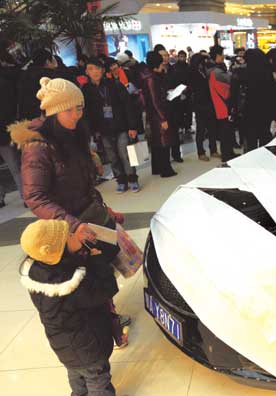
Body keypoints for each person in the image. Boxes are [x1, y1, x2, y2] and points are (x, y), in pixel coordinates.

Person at [9, 76, 132, 336]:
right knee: (85, 280)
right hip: (68, 227)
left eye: (79, 108)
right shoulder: (37, 147)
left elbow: (84, 184)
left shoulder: (73, 135)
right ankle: (102, 330)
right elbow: (35, 197)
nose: (76, 115)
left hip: (88, 216)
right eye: (69, 109)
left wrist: (104, 209)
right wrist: (73, 225)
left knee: (101, 272)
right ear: (53, 111)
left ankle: (110, 319)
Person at [19, 219, 130, 396]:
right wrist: (97, 261)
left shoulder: (39, 272)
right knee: (96, 372)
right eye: (69, 236)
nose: (74, 235)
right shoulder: (72, 283)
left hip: (60, 341)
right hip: (85, 341)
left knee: (74, 369)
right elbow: (105, 291)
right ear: (56, 251)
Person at [82, 57, 140, 193]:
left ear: (102, 70)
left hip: (121, 126)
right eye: (91, 69)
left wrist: (132, 126)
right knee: (112, 156)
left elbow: (128, 106)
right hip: (103, 129)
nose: (95, 72)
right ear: (86, 72)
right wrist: (91, 132)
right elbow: (87, 113)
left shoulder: (114, 84)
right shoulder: (86, 90)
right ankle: (121, 180)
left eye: (97, 69)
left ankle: (132, 178)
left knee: (124, 153)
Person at [140, 51, 178, 178]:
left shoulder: (149, 76)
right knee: (163, 140)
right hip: (158, 114)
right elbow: (155, 100)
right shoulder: (151, 78)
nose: (163, 65)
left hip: (154, 113)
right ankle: (166, 169)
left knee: (157, 142)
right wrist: (162, 118)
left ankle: (157, 168)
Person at [232, 49, 276, 151]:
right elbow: (273, 94)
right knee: (264, 136)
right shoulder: (268, 72)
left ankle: (250, 161)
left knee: (250, 139)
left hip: (248, 112)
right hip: (265, 112)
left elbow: (235, 94)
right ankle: (264, 159)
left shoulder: (242, 73)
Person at [207, 45, 236, 162]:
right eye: (222, 54)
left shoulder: (211, 70)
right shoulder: (217, 72)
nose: (224, 56)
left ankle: (228, 153)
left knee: (226, 132)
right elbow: (230, 82)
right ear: (218, 56)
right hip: (222, 105)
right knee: (225, 132)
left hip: (219, 105)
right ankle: (227, 155)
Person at [0, 62, 22, 208]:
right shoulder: (6, 83)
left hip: (4, 130)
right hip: (5, 130)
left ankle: (26, 195)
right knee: (14, 164)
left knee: (14, 164)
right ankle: (26, 195)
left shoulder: (5, 84)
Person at [189, 53, 218, 161]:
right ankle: (201, 152)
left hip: (209, 102)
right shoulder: (192, 73)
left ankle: (213, 149)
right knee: (201, 129)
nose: (204, 63)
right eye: (201, 61)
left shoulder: (205, 71)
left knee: (212, 128)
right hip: (199, 104)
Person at [18, 48, 59, 120]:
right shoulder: (50, 76)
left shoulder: (24, 75)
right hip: (44, 119)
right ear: (47, 61)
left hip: (27, 118)